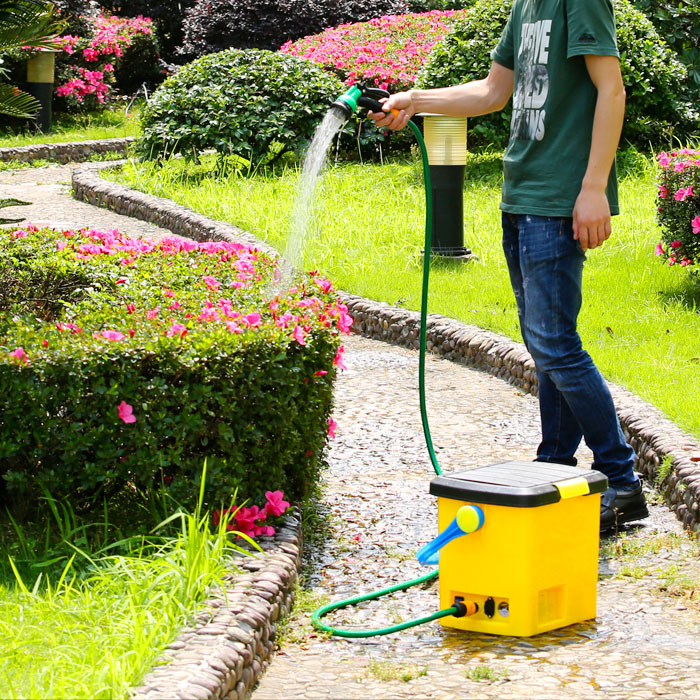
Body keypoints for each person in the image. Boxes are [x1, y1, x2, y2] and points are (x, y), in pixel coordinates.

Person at [369, 0, 648, 533]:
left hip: (559, 197)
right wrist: (415, 99)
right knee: (545, 344)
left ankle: (622, 481)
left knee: (555, 344)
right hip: (520, 195)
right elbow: (495, 93)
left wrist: (592, 189)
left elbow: (612, 91)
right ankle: (556, 469)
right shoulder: (526, 6)